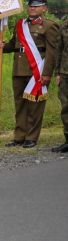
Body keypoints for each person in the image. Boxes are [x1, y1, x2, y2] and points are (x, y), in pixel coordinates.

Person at [0, 0, 61, 148]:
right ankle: (19, 137)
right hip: (19, 70)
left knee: (35, 105)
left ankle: (31, 137)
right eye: (30, 6)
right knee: (20, 105)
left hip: (38, 71)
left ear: (44, 8)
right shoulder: (21, 24)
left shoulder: (50, 25)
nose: (32, 8)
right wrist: (1, 45)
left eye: (37, 6)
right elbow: (14, 45)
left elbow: (52, 51)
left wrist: (47, 73)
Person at [52, 16, 68, 152]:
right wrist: (57, 72)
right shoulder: (64, 25)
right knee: (66, 106)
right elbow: (58, 50)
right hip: (65, 72)